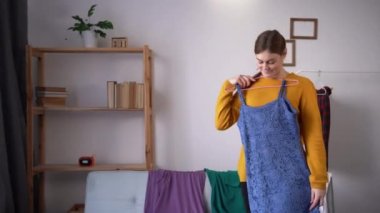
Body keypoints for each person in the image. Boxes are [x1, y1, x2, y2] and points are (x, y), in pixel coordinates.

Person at [215, 30, 327, 213]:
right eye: (260, 61)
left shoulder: (302, 85)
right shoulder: (248, 87)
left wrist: (319, 180)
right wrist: (228, 85)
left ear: (284, 54)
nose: (265, 67)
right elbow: (221, 123)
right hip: (251, 177)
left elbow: (313, 137)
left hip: (290, 178)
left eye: (271, 61)